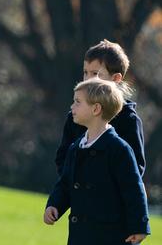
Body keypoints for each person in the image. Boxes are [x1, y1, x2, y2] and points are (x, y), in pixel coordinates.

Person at [44, 78, 150, 245]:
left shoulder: (118, 149)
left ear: (96, 109)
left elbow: (133, 189)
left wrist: (140, 225)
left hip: (111, 233)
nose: (72, 107)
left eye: (77, 102)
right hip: (87, 235)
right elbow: (66, 183)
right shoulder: (76, 147)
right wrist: (54, 204)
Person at [55, 39, 145, 176]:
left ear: (116, 79)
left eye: (96, 74)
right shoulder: (75, 115)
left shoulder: (129, 120)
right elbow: (62, 158)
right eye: (85, 72)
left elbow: (136, 167)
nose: (88, 79)